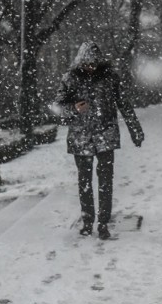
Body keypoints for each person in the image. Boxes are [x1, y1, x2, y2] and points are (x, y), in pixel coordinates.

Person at [54, 41, 144, 239]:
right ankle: (87, 221)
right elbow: (57, 109)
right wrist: (74, 109)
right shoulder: (70, 79)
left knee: (105, 181)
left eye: (94, 63)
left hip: (106, 134)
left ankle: (103, 223)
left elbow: (124, 104)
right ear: (81, 62)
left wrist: (135, 130)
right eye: (88, 63)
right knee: (84, 181)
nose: (91, 67)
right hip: (81, 137)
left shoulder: (110, 78)